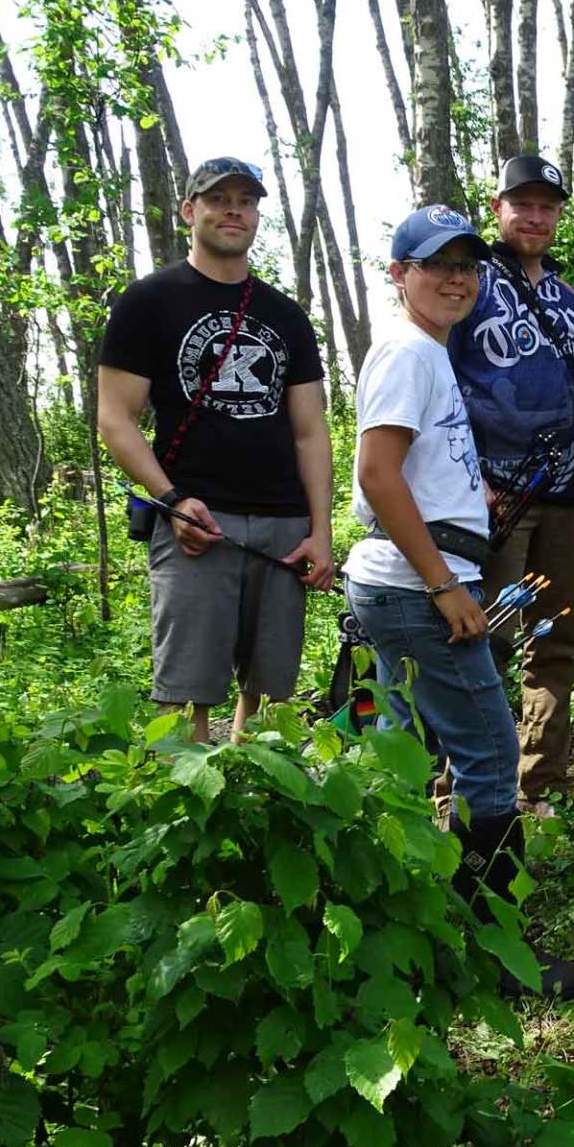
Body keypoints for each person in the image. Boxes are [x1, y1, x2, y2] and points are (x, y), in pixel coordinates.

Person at [344, 203, 574, 1000]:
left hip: (407, 580)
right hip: (418, 587)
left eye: (466, 266)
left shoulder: (429, 351)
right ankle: (494, 953)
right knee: (488, 756)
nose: (455, 279)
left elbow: (411, 466)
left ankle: (407, 930)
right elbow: (376, 475)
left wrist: (464, 489)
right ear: (399, 274)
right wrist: (446, 584)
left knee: (404, 755)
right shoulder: (409, 354)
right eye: (437, 265)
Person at [97, 156, 334, 743]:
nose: (234, 211)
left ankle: (255, 792)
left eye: (246, 201)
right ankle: (185, 796)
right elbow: (116, 418)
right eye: (218, 199)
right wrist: (173, 500)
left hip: (284, 526)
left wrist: (321, 531)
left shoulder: (285, 315)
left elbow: (310, 431)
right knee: (184, 694)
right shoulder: (148, 301)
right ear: (189, 210)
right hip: (196, 522)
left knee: (271, 696)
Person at [451, 155, 574, 810]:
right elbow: (444, 388)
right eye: (522, 204)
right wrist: (467, 477)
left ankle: (540, 784)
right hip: (496, 499)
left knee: (555, 639)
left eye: (547, 206)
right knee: (485, 640)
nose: (534, 217)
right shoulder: (468, 287)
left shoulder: (573, 305)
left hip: (566, 496)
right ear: (497, 208)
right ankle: (466, 794)